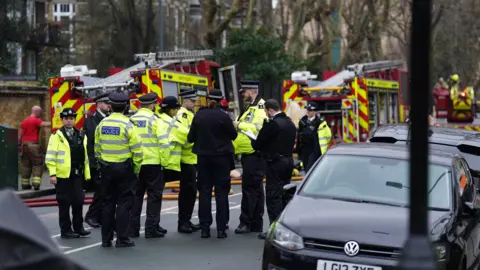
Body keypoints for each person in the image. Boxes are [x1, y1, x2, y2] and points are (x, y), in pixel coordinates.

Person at [94, 92, 143, 248]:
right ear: (126, 106)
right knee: (124, 203)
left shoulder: (102, 124)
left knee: (107, 203)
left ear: (110, 106)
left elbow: (97, 148)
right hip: (124, 170)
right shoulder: (128, 125)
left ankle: (106, 240)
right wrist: (135, 169)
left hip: (106, 169)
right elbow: (137, 151)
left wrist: (103, 163)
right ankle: (122, 238)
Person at [187, 89, 237, 239]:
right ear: (221, 100)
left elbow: (191, 137)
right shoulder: (224, 116)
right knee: (222, 193)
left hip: (203, 159)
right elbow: (233, 135)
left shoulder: (199, 116)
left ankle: (205, 228)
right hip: (222, 158)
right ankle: (221, 228)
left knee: (205, 192)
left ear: (208, 100)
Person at [251, 99, 296, 239]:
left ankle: (274, 229)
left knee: (273, 196)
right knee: (285, 194)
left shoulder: (273, 124)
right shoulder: (290, 123)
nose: (266, 113)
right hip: (288, 161)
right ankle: (285, 226)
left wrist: (253, 140)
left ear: (270, 110)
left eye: (266, 111)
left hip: (275, 162)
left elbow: (258, 144)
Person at [45, 108, 91, 239]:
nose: (69, 121)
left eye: (71, 118)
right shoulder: (56, 136)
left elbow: (85, 155)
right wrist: (52, 174)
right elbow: (50, 157)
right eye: (66, 118)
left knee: (78, 201)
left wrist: (86, 174)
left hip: (77, 174)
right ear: (62, 120)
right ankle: (66, 230)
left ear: (75, 120)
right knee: (64, 203)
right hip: (62, 176)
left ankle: (79, 227)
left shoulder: (81, 134)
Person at [129, 92, 170, 238]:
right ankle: (151, 229)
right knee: (154, 197)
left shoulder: (131, 120)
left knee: (136, 196)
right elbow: (164, 143)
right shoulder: (155, 120)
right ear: (152, 105)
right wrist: (165, 163)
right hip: (153, 163)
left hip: (136, 164)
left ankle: (132, 229)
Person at [233, 80, 267, 235]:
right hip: (249, 154)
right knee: (256, 190)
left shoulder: (260, 108)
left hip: (254, 154)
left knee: (250, 190)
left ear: (252, 91)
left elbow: (257, 129)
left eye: (244, 91)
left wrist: (238, 124)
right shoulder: (252, 107)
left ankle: (246, 222)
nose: (242, 94)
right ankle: (255, 223)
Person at [84, 92, 111, 228]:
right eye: (106, 103)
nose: (109, 106)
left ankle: (99, 216)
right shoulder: (92, 120)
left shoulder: (107, 118)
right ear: (99, 104)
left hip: (106, 160)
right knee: (101, 190)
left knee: (106, 190)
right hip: (96, 160)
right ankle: (91, 215)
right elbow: (94, 140)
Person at [176, 89, 201, 233]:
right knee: (187, 192)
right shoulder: (182, 115)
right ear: (184, 100)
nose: (194, 103)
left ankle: (186, 220)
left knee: (190, 193)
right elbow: (185, 137)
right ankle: (183, 222)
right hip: (186, 159)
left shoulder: (190, 114)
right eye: (192, 101)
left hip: (191, 158)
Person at [19, 106, 51, 190]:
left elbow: (20, 134)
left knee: (25, 165)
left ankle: (24, 184)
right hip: (33, 146)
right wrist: (56, 122)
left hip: (24, 146)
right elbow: (45, 124)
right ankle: (36, 184)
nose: (40, 114)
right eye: (40, 113)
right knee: (37, 164)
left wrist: (19, 145)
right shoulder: (35, 120)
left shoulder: (24, 121)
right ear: (37, 112)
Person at [156, 96, 186, 184]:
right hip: (171, 163)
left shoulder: (156, 118)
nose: (178, 111)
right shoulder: (174, 124)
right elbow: (188, 139)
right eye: (177, 108)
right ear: (171, 110)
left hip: (156, 162)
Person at [296, 102, 322, 172]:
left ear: (315, 112)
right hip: (304, 149)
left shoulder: (319, 122)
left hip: (314, 149)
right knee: (306, 167)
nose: (308, 111)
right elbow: (299, 136)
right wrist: (298, 150)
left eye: (310, 110)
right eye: (307, 110)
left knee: (311, 169)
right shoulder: (302, 121)